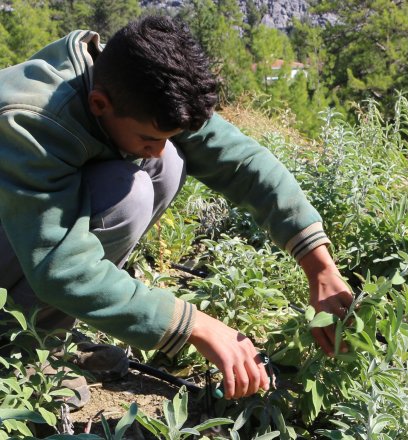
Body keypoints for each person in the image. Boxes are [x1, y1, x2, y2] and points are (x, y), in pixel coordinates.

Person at [0, 16, 353, 406]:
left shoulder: (138, 87)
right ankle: (18, 347)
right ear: (99, 104)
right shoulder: (29, 122)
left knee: (165, 165)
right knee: (132, 191)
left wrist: (319, 267)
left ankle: (43, 329)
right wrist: (194, 325)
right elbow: (60, 267)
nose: (156, 146)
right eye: (148, 137)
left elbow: (241, 163)